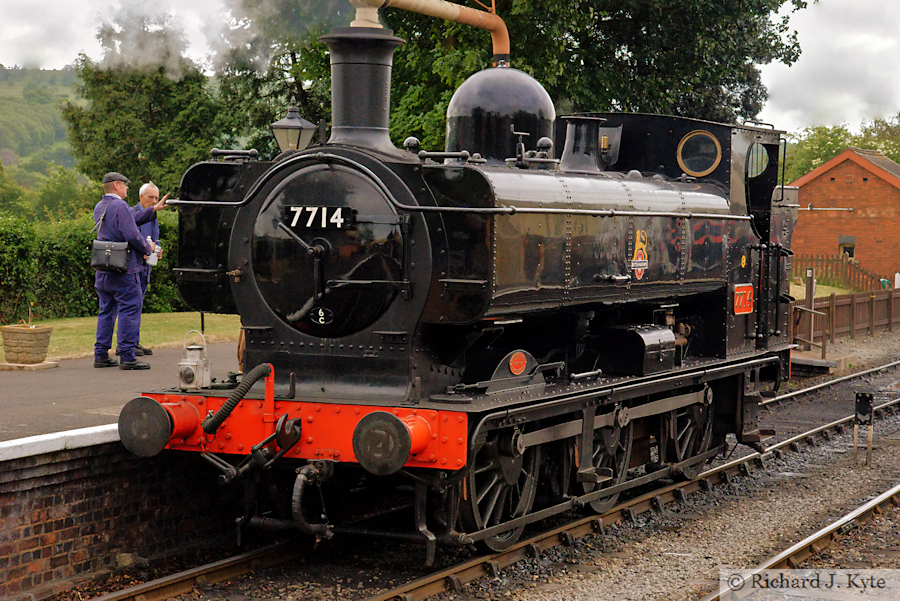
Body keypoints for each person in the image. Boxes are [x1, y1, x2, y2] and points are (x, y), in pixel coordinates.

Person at [92, 172, 166, 370]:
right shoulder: (121, 206)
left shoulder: (101, 206)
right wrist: (147, 248)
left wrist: (153, 210)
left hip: (104, 268)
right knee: (130, 309)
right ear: (116, 185)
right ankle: (127, 356)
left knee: (106, 310)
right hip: (124, 270)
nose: (127, 188)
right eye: (125, 185)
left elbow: (130, 219)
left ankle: (101, 354)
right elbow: (131, 232)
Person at [122, 181, 170, 357]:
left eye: (157, 198)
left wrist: (158, 248)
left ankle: (134, 341)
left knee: (138, 304)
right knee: (130, 306)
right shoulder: (131, 213)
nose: (154, 201)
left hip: (146, 266)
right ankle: (126, 344)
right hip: (133, 265)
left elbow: (154, 238)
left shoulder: (154, 216)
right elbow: (130, 237)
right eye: (151, 197)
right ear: (141, 197)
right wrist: (143, 248)